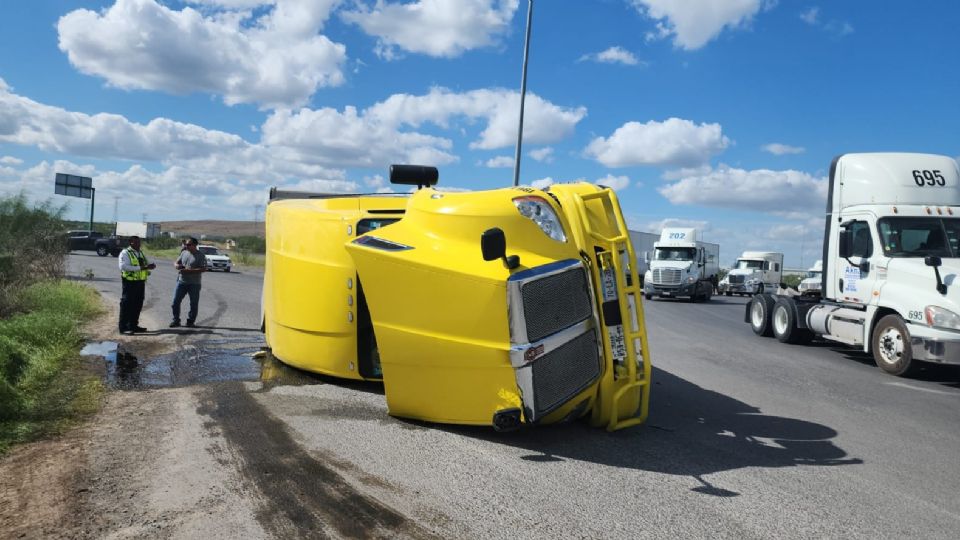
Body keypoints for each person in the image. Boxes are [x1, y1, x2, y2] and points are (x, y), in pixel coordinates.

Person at [118, 235, 156, 334]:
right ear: (131, 243)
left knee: (137, 304)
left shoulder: (140, 253)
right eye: (136, 242)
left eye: (139, 242)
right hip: (129, 282)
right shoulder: (125, 253)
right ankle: (123, 328)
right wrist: (142, 268)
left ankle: (133, 325)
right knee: (127, 304)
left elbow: (144, 265)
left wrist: (149, 267)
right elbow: (123, 267)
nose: (139, 244)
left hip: (140, 282)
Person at [170, 237, 206, 328]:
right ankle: (176, 320)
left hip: (194, 284)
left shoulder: (200, 255)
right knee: (175, 302)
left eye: (189, 244)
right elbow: (176, 262)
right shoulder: (184, 252)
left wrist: (189, 271)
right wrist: (177, 266)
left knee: (193, 303)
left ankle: (190, 321)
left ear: (195, 245)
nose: (186, 246)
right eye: (186, 244)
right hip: (181, 282)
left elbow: (203, 268)